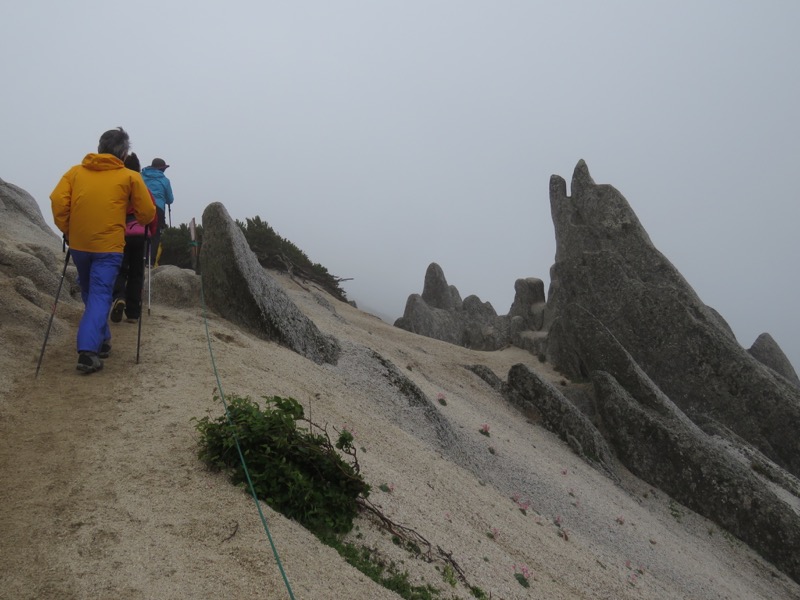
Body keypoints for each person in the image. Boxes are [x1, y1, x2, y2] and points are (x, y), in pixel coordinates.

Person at [50, 128, 156, 374]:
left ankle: (102, 340)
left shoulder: (75, 173)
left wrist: (67, 228)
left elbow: (58, 201)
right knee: (99, 295)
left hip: (79, 244)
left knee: (90, 292)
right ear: (124, 153)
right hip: (108, 247)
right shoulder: (129, 177)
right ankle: (87, 352)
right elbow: (147, 213)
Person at [110, 153, 158, 324]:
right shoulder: (143, 188)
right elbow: (151, 212)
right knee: (137, 273)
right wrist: (151, 233)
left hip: (122, 234)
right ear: (138, 169)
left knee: (120, 269)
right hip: (141, 234)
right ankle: (133, 313)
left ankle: (119, 297)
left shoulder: (118, 187)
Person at [141, 157, 174, 266]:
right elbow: (170, 200)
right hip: (158, 208)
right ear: (162, 169)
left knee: (141, 233)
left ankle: (140, 258)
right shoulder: (165, 180)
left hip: (142, 206)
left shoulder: (141, 176)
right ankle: (150, 262)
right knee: (155, 235)